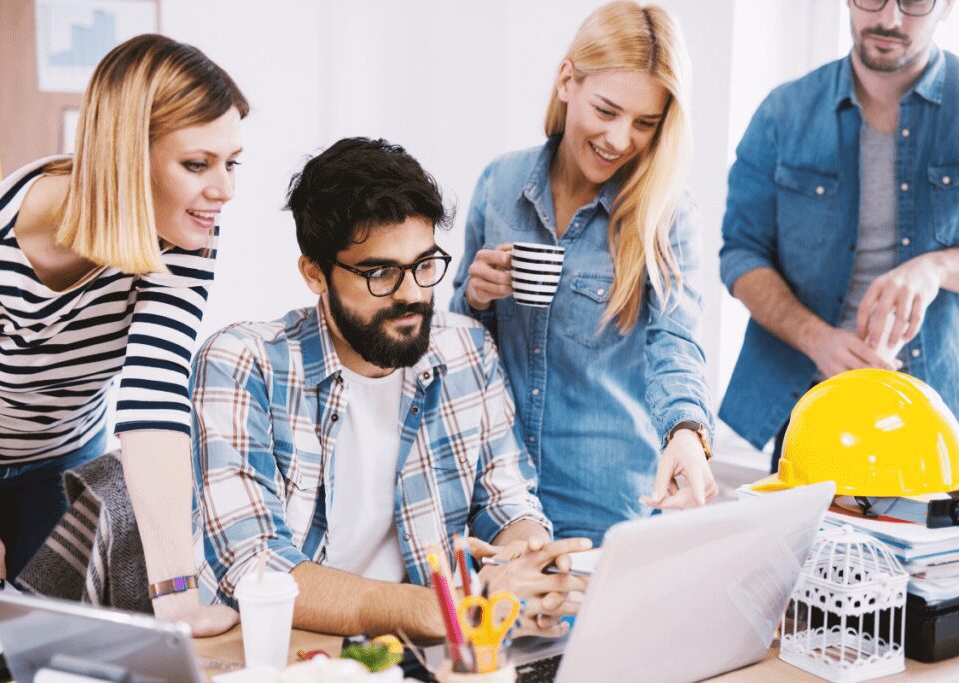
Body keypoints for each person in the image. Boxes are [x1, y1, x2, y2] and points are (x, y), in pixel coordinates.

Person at [192, 137, 588, 639]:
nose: (412, 295)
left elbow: (505, 498)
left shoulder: (465, 346)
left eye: (425, 265)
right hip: (296, 656)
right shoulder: (242, 363)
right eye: (380, 273)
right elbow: (255, 565)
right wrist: (446, 607)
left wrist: (526, 564)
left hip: (427, 650)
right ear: (315, 273)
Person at [0, 34, 246, 634]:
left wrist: (177, 600)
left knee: (43, 639)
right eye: (197, 164)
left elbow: (154, 402)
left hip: (64, 451)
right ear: (126, 155)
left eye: (231, 162)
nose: (225, 190)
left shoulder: (183, 234)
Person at [450, 1, 717, 544]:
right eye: (607, 110)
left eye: (645, 123)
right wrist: (474, 298)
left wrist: (686, 432)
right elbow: (458, 348)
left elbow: (677, 344)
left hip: (604, 504)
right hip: (494, 494)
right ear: (567, 79)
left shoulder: (666, 216)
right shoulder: (499, 185)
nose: (620, 140)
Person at [720, 0, 959, 472]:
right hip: (812, 412)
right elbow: (741, 254)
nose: (889, 19)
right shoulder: (782, 113)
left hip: (939, 416)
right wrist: (817, 339)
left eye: (913, 1)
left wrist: (935, 267)